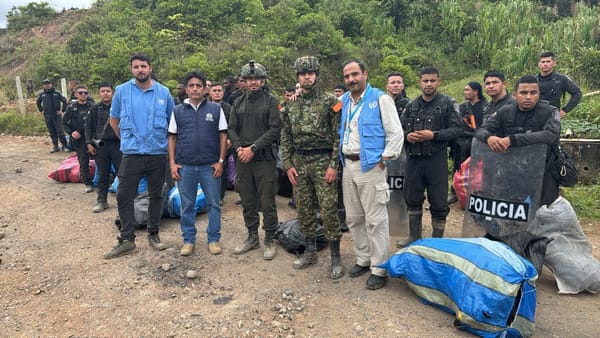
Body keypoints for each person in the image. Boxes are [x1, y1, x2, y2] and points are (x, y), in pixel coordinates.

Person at [103, 52, 174, 259]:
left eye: (143, 66)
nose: (140, 70)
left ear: (150, 67)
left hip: (157, 153)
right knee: (124, 195)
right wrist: (127, 141)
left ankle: (154, 234)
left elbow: (172, 124)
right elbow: (114, 120)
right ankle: (127, 240)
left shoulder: (163, 92)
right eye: (136, 67)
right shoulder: (122, 91)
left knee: (156, 194)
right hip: (132, 154)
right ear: (131, 69)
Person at [339, 60, 403, 290]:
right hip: (348, 165)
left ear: (365, 74)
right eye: (347, 76)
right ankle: (363, 259)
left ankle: (379, 267)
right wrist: (296, 94)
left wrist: (385, 158)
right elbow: (322, 106)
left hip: (371, 166)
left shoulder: (380, 99)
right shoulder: (344, 100)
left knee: (376, 219)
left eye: (355, 74)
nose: (351, 79)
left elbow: (395, 132)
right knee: (354, 217)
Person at [281, 56, 344, 279]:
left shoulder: (330, 101)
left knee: (328, 210)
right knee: (304, 209)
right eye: (302, 73)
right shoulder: (290, 104)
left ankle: (336, 256)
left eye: (310, 73)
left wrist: (334, 165)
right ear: (297, 76)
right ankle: (310, 251)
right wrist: (287, 164)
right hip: (299, 162)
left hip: (322, 161)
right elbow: (286, 137)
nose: (307, 76)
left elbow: (338, 135)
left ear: (316, 75)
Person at [398, 66, 461, 248]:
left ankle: (436, 242)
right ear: (420, 82)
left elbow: (457, 129)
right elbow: (399, 130)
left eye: (432, 80)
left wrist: (433, 135)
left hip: (436, 159)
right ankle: (414, 237)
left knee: (439, 201)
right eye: (425, 80)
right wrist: (407, 136)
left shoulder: (448, 103)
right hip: (414, 160)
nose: (428, 84)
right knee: (412, 198)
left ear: (438, 81)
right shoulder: (411, 105)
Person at [475, 75, 561, 206]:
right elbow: (480, 130)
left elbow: (551, 135)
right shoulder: (505, 111)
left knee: (543, 213)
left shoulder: (550, 111)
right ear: (515, 94)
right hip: (512, 171)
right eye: (523, 92)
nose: (528, 97)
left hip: (544, 172)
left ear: (539, 94)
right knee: (510, 211)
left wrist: (512, 140)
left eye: (533, 93)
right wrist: (489, 138)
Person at [168, 71, 228, 256]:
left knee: (214, 204)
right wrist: (172, 163)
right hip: (185, 166)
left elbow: (223, 135)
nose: (195, 89)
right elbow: (172, 137)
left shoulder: (216, 110)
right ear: (186, 89)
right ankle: (188, 239)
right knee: (187, 204)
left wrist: (220, 161)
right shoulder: (177, 111)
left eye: (198, 86)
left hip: (209, 166)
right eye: (191, 86)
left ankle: (213, 239)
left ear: (205, 89)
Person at [228, 60, 281, 260]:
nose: (253, 82)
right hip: (243, 158)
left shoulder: (271, 101)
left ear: (263, 80)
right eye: (249, 79)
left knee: (267, 200)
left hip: (264, 159)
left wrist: (253, 148)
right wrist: (239, 147)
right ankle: (252, 236)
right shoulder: (238, 102)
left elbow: (275, 129)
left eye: (257, 78)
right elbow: (232, 128)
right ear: (244, 81)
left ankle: (269, 237)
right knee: (248, 199)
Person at [447, 81, 487, 204]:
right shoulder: (462, 107)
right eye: (464, 90)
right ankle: (455, 192)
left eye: (467, 90)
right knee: (458, 166)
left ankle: (477, 195)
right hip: (461, 142)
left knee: (478, 169)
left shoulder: (485, 107)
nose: (465, 92)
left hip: (477, 141)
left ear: (476, 91)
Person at [86, 83, 121, 213]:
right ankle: (102, 201)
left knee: (122, 174)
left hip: (118, 145)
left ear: (112, 93)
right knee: (102, 174)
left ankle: (125, 202)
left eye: (108, 91)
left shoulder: (119, 108)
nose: (105, 93)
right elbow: (88, 127)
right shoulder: (94, 109)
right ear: (99, 93)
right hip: (101, 146)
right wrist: (89, 143)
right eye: (102, 91)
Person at [63, 84, 94, 193]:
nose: (83, 95)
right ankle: (88, 183)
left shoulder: (92, 106)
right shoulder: (71, 108)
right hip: (80, 140)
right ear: (76, 94)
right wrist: (72, 133)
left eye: (85, 93)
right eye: (80, 93)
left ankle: (102, 180)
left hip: (92, 138)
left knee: (101, 160)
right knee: (83, 162)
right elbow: (64, 123)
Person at [536, 51, 582, 119]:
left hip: (553, 116)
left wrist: (565, 110)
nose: (545, 64)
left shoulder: (562, 79)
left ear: (554, 63)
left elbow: (577, 93)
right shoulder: (533, 80)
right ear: (539, 64)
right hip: (535, 116)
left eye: (548, 61)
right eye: (543, 62)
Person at [210, 82, 234, 202]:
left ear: (223, 93)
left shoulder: (229, 108)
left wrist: (230, 139)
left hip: (225, 144)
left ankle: (220, 196)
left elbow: (232, 126)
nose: (217, 93)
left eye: (219, 90)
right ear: (209, 92)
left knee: (223, 170)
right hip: (209, 144)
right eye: (214, 91)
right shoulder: (206, 106)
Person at [36, 78, 69, 153]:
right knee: (52, 131)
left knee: (60, 131)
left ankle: (65, 146)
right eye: (45, 84)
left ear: (51, 84)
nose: (47, 85)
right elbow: (38, 103)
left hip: (57, 115)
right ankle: (55, 146)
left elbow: (64, 101)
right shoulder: (42, 94)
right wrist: (41, 110)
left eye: (48, 83)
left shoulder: (57, 93)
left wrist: (62, 111)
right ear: (43, 85)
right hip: (47, 116)